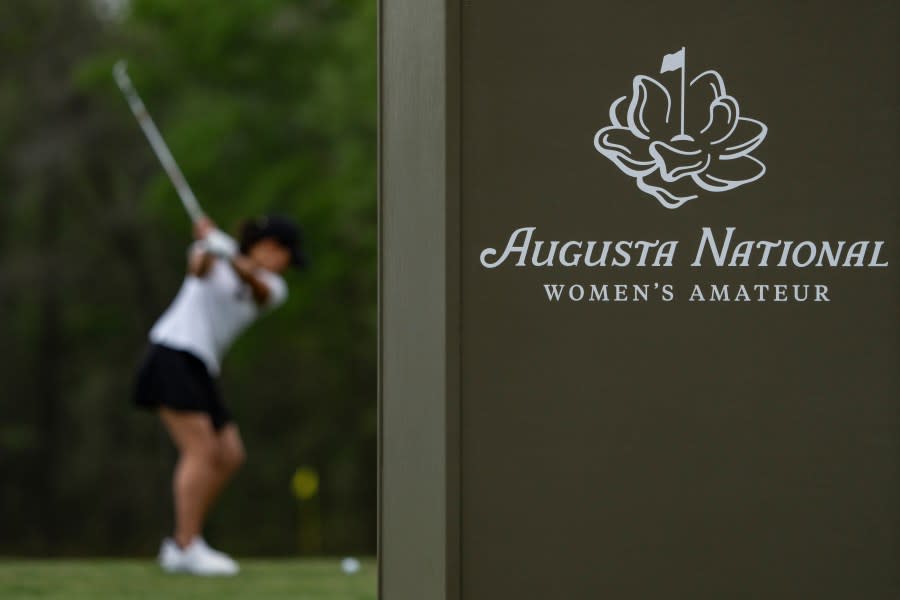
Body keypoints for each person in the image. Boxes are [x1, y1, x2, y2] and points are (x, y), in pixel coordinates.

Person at [134, 215, 306, 576]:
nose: (286, 267)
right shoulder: (211, 253)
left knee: (230, 455)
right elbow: (197, 269)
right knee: (201, 450)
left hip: (202, 365)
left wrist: (222, 244)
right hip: (173, 351)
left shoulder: (274, 287)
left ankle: (183, 543)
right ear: (270, 246)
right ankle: (186, 545)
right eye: (287, 258)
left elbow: (256, 286)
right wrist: (208, 245)